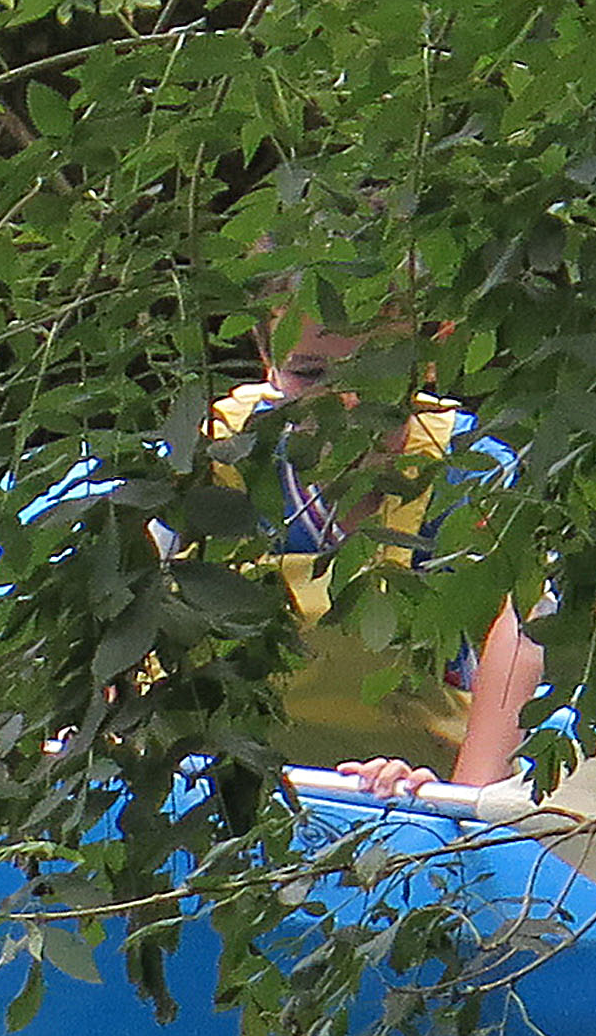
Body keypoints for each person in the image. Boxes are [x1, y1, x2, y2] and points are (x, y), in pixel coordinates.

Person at [202, 309, 544, 801]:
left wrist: (465, 799)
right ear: (266, 358)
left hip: (412, 788)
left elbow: (522, 628)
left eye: (377, 370)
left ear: (432, 354)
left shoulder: (470, 472)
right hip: (221, 782)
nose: (346, 403)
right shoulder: (214, 456)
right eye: (309, 374)